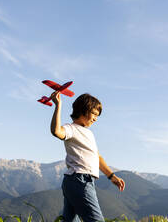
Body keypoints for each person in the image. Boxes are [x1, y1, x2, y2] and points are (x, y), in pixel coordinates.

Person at [50, 91, 125, 222]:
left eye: (97, 115)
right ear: (83, 110)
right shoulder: (71, 128)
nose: (96, 118)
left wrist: (111, 176)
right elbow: (56, 131)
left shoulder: (89, 133)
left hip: (78, 181)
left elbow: (97, 157)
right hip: (79, 179)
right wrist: (58, 105)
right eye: (94, 114)